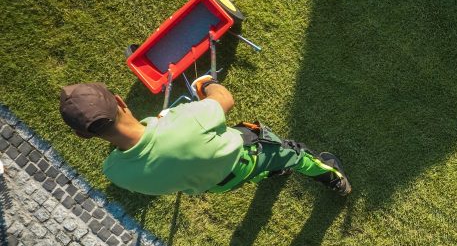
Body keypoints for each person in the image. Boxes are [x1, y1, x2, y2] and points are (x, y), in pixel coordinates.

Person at [58, 77, 351, 197]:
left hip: (218, 185)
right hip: (246, 156)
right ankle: (334, 179)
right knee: (295, 152)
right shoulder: (185, 119)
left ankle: (274, 172)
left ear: (83, 136)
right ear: (121, 102)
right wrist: (207, 83)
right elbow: (224, 98)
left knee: (260, 169)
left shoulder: (114, 172)